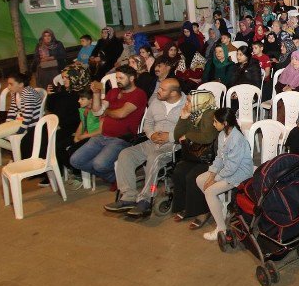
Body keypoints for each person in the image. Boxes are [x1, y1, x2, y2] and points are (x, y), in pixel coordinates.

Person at [105, 77, 186, 218]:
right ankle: (128, 197)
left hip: (173, 146)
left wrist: (171, 136)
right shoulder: (156, 102)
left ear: (173, 93)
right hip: (152, 141)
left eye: (162, 89)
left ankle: (145, 200)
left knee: (154, 158)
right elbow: (148, 122)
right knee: (125, 154)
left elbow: (191, 129)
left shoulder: (188, 104)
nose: (158, 91)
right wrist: (151, 134)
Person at [69, 65, 148, 185]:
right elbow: (96, 112)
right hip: (102, 135)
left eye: (121, 78)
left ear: (132, 78)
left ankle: (117, 178)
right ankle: (115, 178)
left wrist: (105, 112)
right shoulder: (113, 91)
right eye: (117, 78)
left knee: (99, 164)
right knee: (75, 161)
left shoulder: (139, 94)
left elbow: (121, 114)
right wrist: (96, 93)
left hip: (121, 138)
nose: (118, 81)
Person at [197, 108, 253, 240]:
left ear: (225, 123)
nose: (213, 124)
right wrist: (211, 175)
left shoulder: (237, 139)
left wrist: (215, 179)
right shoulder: (222, 135)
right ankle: (221, 208)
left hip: (240, 173)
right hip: (228, 170)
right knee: (200, 180)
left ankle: (221, 228)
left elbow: (232, 168)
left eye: (216, 122)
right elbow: (219, 158)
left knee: (210, 191)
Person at [168, 90, 218, 225]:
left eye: (189, 100)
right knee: (178, 173)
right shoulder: (194, 113)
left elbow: (208, 137)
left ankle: (202, 211)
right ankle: (186, 206)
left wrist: (189, 135)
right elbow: (177, 136)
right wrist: (183, 118)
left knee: (192, 177)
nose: (186, 103)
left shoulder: (210, 114)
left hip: (210, 158)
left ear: (200, 102)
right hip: (194, 155)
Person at [0, 71, 43, 162]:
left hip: (27, 124)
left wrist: (22, 129)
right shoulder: (16, 93)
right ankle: (18, 150)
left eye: (11, 84)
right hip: (17, 122)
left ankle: (18, 151)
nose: (8, 87)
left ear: (21, 84)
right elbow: (12, 109)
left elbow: (29, 114)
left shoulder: (28, 93)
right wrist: (7, 123)